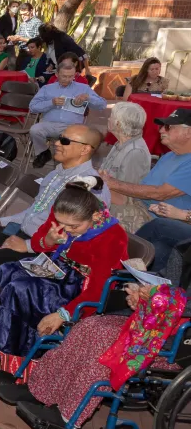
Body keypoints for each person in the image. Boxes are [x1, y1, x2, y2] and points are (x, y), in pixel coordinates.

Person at [6, 282, 186, 429]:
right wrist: (142, 293)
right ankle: (42, 389)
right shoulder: (183, 250)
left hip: (176, 342)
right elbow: (166, 282)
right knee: (90, 326)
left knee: (105, 342)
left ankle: (70, 417)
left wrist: (156, 299)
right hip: (151, 321)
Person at [0, 180, 127, 359]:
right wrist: (50, 240)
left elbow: (100, 289)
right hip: (56, 268)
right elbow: (36, 243)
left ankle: (4, 354)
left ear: (96, 216)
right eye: (60, 223)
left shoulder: (112, 237)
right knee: (5, 271)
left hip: (79, 288)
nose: (66, 230)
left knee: (20, 289)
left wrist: (63, 314)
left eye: (74, 227)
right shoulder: (64, 213)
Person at [0, 124, 110, 271]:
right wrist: (0, 221)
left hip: (47, 251)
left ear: (85, 149)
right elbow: (34, 211)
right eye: (59, 138)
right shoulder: (55, 173)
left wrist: (28, 245)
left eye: (65, 141)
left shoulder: (91, 187)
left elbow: (78, 235)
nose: (56, 143)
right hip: (22, 232)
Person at [103, 109, 191, 275]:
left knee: (102, 222)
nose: (161, 130)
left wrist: (112, 183)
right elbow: (144, 192)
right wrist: (104, 184)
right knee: (93, 200)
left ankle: (114, 270)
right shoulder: (169, 156)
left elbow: (160, 194)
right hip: (143, 208)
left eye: (168, 127)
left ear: (189, 132)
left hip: (161, 219)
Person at [28, 55, 107, 167]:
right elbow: (32, 107)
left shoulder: (83, 88)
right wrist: (51, 103)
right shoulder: (47, 88)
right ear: (56, 74)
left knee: (71, 140)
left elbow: (102, 105)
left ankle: (63, 165)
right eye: (64, 76)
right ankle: (43, 152)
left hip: (72, 126)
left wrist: (89, 98)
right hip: (49, 124)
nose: (67, 79)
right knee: (34, 130)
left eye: (71, 77)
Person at [100, 101, 152, 232]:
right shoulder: (121, 143)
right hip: (107, 198)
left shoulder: (135, 152)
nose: (108, 118)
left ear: (118, 123)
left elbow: (125, 196)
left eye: (111, 116)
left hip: (119, 211)